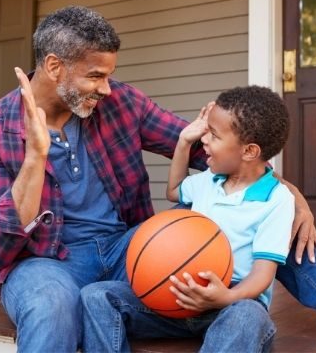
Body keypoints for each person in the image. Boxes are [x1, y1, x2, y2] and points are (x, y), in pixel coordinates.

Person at [0, 5, 316, 352]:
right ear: (54, 67)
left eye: (110, 74)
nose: (108, 87)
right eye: (95, 75)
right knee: (52, 308)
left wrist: (286, 194)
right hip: (49, 261)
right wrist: (35, 158)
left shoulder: (122, 106)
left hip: (125, 246)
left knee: (251, 209)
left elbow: (221, 161)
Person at [81, 86, 294, 352]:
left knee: (248, 317)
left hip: (232, 301)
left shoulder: (276, 200)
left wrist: (225, 296)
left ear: (249, 151)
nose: (205, 140)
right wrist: (183, 142)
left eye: (213, 135)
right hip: (177, 297)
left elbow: (262, 274)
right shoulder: (209, 180)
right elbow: (174, 190)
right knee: (97, 295)